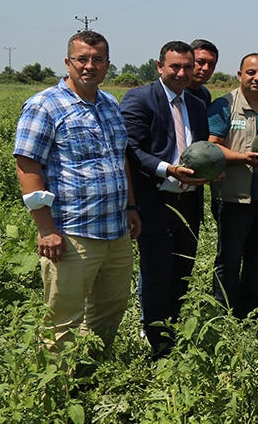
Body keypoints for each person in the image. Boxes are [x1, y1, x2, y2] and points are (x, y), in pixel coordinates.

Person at [13, 31, 140, 351]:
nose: (89, 66)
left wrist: (131, 207)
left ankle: (90, 378)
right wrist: (45, 229)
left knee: (110, 311)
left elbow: (120, 158)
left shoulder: (110, 103)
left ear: (107, 65)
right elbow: (28, 167)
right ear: (68, 62)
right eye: (82, 59)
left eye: (97, 59)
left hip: (115, 230)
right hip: (71, 233)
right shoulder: (45, 105)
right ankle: (56, 392)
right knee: (62, 318)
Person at [121, 40, 212, 356]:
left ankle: (171, 329)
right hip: (156, 200)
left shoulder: (198, 104)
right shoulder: (140, 99)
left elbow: (199, 150)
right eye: (175, 66)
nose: (182, 72)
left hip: (188, 202)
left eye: (188, 66)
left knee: (182, 272)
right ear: (160, 66)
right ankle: (157, 341)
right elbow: (130, 149)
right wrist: (167, 169)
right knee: (157, 272)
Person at [207, 53, 258, 318]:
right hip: (233, 197)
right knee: (229, 261)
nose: (257, 78)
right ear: (240, 75)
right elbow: (212, 147)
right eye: (251, 72)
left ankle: (253, 307)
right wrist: (244, 158)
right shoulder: (225, 105)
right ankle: (227, 312)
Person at [187, 39, 219, 107]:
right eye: (200, 62)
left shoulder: (205, 94)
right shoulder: (175, 93)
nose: (206, 68)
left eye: (211, 64)